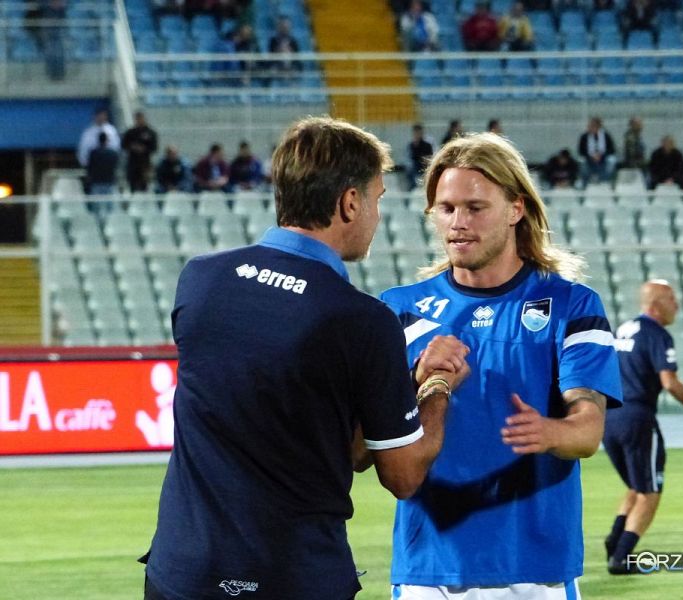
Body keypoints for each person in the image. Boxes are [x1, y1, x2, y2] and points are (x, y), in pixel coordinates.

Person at [140, 116, 471, 600]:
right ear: (349, 202)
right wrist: (437, 385)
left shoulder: (201, 280)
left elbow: (298, 410)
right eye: (376, 199)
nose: (377, 217)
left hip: (180, 572)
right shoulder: (361, 320)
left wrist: (400, 382)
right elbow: (402, 474)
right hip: (293, 577)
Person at [380, 133, 622, 599]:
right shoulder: (399, 311)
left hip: (535, 572)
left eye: (475, 207)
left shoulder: (573, 305)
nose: (457, 223)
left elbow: (588, 430)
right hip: (430, 570)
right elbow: (373, 446)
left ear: (516, 209)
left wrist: (550, 432)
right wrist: (419, 382)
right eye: (445, 208)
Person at [603, 279, 683, 575]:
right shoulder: (657, 334)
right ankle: (621, 557)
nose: (677, 305)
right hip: (638, 418)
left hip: (609, 418)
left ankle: (614, 541)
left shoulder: (621, 331)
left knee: (636, 486)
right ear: (655, 304)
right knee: (651, 491)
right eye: (671, 298)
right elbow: (669, 382)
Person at [122, 111, 159, 192]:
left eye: (141, 118)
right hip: (132, 163)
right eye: (137, 119)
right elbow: (124, 145)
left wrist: (144, 149)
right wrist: (133, 147)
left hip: (145, 163)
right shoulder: (130, 132)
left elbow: (154, 148)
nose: (139, 120)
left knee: (145, 185)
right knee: (133, 185)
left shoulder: (150, 132)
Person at [578, 115, 617, 186]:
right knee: (582, 162)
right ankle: (584, 184)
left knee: (611, 160)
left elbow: (612, 149)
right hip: (589, 159)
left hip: (603, 158)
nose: (590, 127)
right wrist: (592, 156)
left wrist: (600, 155)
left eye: (592, 126)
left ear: (598, 127)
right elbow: (581, 151)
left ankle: (605, 182)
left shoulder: (605, 136)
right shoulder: (584, 137)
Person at [86, 131, 120, 214]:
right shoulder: (113, 154)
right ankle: (109, 223)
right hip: (109, 181)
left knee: (97, 207)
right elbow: (115, 166)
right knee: (109, 207)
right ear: (107, 140)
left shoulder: (93, 153)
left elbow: (90, 167)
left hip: (97, 182)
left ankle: (98, 224)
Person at [407, 123, 435, 189]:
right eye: (415, 132)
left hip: (425, 164)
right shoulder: (411, 145)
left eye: (418, 132)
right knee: (410, 172)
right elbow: (411, 157)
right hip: (416, 165)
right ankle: (412, 188)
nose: (417, 134)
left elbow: (430, 156)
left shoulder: (427, 145)